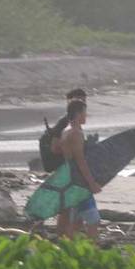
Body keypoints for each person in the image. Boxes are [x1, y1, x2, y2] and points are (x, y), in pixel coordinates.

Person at [58, 99, 102, 239]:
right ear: (78, 114)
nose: (86, 116)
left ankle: (71, 250)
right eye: (84, 113)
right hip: (80, 183)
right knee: (93, 220)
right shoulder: (76, 133)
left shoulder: (65, 131)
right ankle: (93, 251)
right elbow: (80, 161)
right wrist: (92, 183)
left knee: (76, 221)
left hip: (69, 179)